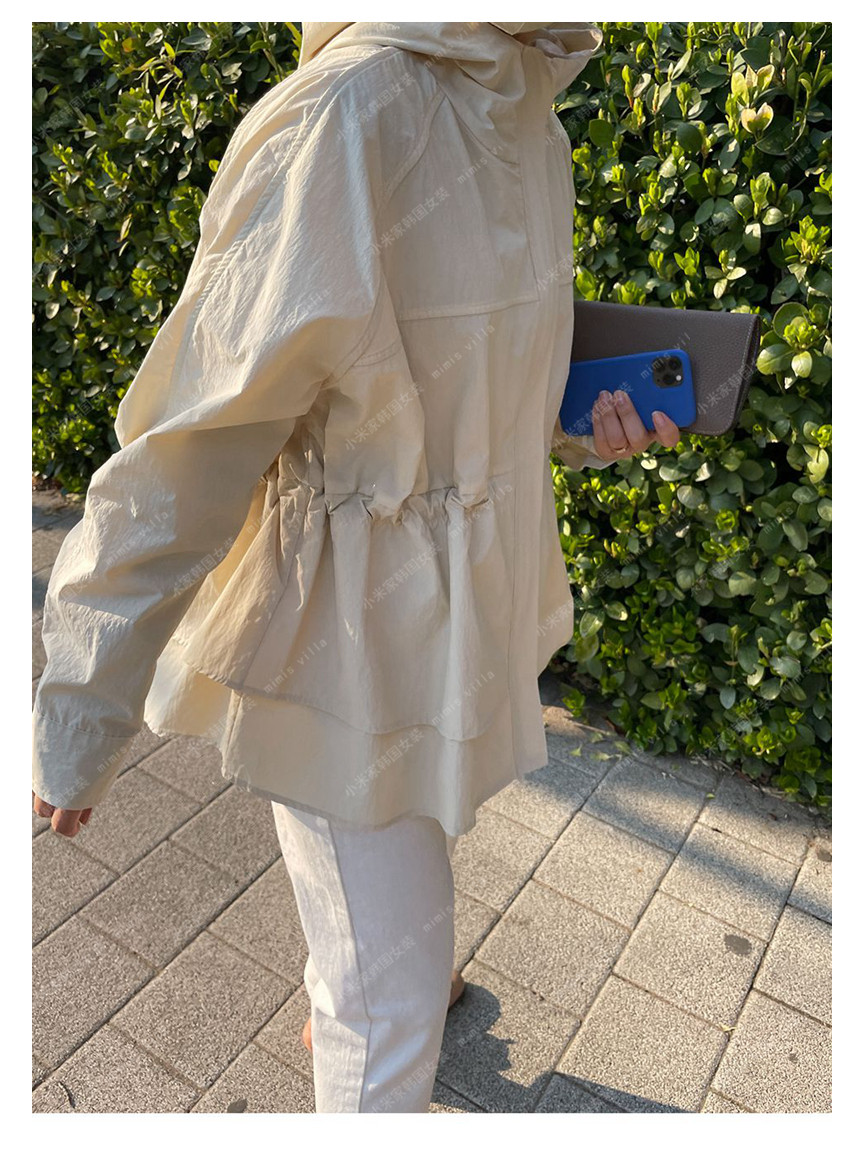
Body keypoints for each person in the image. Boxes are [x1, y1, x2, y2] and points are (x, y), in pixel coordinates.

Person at [32, 22, 681, 1113]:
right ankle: (378, 998)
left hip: (452, 616)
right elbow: (194, 441)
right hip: (338, 639)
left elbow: (487, 379)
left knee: (394, 915)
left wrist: (581, 422)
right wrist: (79, 703)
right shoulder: (346, 114)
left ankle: (380, 963)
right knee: (385, 1012)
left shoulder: (527, 108)